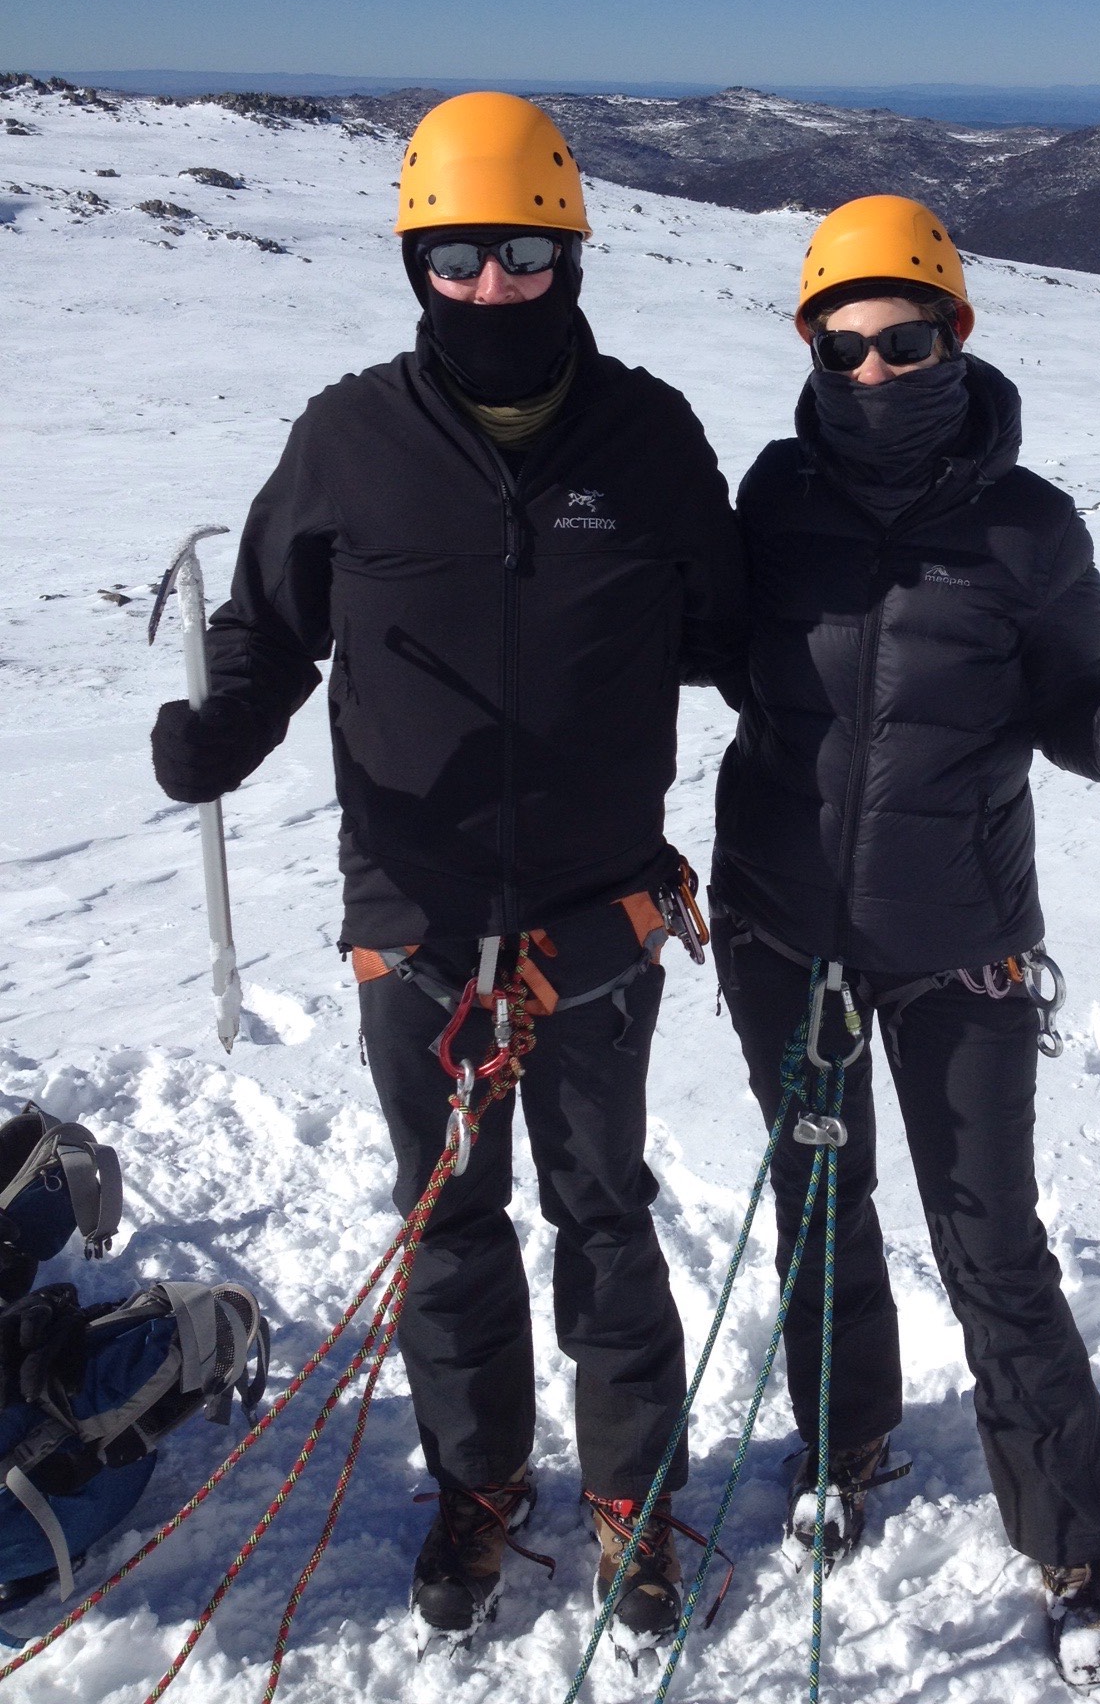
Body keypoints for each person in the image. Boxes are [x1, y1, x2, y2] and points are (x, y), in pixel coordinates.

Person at [150, 94, 746, 1647]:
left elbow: (743, 635)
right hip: (411, 927)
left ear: (572, 257)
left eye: (526, 259)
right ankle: (479, 1487)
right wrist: (227, 725)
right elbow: (273, 627)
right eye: (460, 257)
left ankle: (631, 1495)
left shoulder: (652, 436)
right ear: (419, 259)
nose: (493, 288)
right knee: (449, 1223)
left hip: (596, 925)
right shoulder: (350, 437)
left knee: (605, 1217)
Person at [710, 196, 1100, 1693]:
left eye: (902, 340)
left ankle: (1074, 1549)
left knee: (994, 1247)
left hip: (957, 949)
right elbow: (707, 653)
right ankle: (848, 1445)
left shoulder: (1026, 527)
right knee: (818, 1200)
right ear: (809, 343)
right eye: (841, 343)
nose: (871, 370)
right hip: (783, 928)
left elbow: (1076, 707)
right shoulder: (773, 498)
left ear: (955, 336)